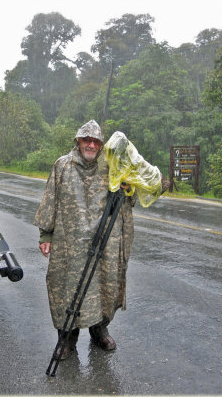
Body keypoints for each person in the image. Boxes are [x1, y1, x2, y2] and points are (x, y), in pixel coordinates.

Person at [34, 120, 168, 360]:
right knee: (67, 287)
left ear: (101, 144)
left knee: (104, 284)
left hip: (104, 240)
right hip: (69, 243)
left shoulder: (113, 166)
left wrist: (134, 186)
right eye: (87, 139)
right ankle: (66, 340)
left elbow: (132, 194)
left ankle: (99, 331)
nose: (91, 144)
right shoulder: (62, 166)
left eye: (96, 141)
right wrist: (46, 234)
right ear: (78, 140)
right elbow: (50, 199)